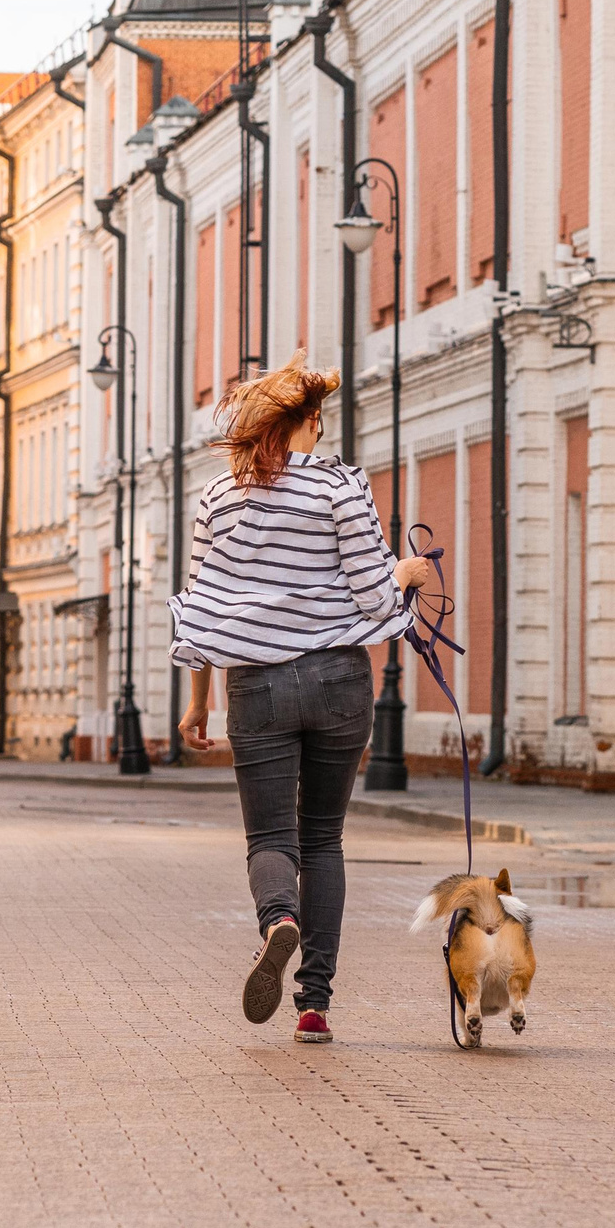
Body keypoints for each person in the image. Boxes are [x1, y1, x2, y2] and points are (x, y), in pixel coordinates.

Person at [172, 355, 429, 1043]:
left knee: (270, 838)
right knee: (323, 837)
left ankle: (277, 918)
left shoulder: (217, 499)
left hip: (255, 685)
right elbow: (377, 594)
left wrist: (198, 705)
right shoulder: (342, 487)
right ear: (307, 423)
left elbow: (203, 611)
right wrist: (407, 571)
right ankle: (313, 1002)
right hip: (339, 682)